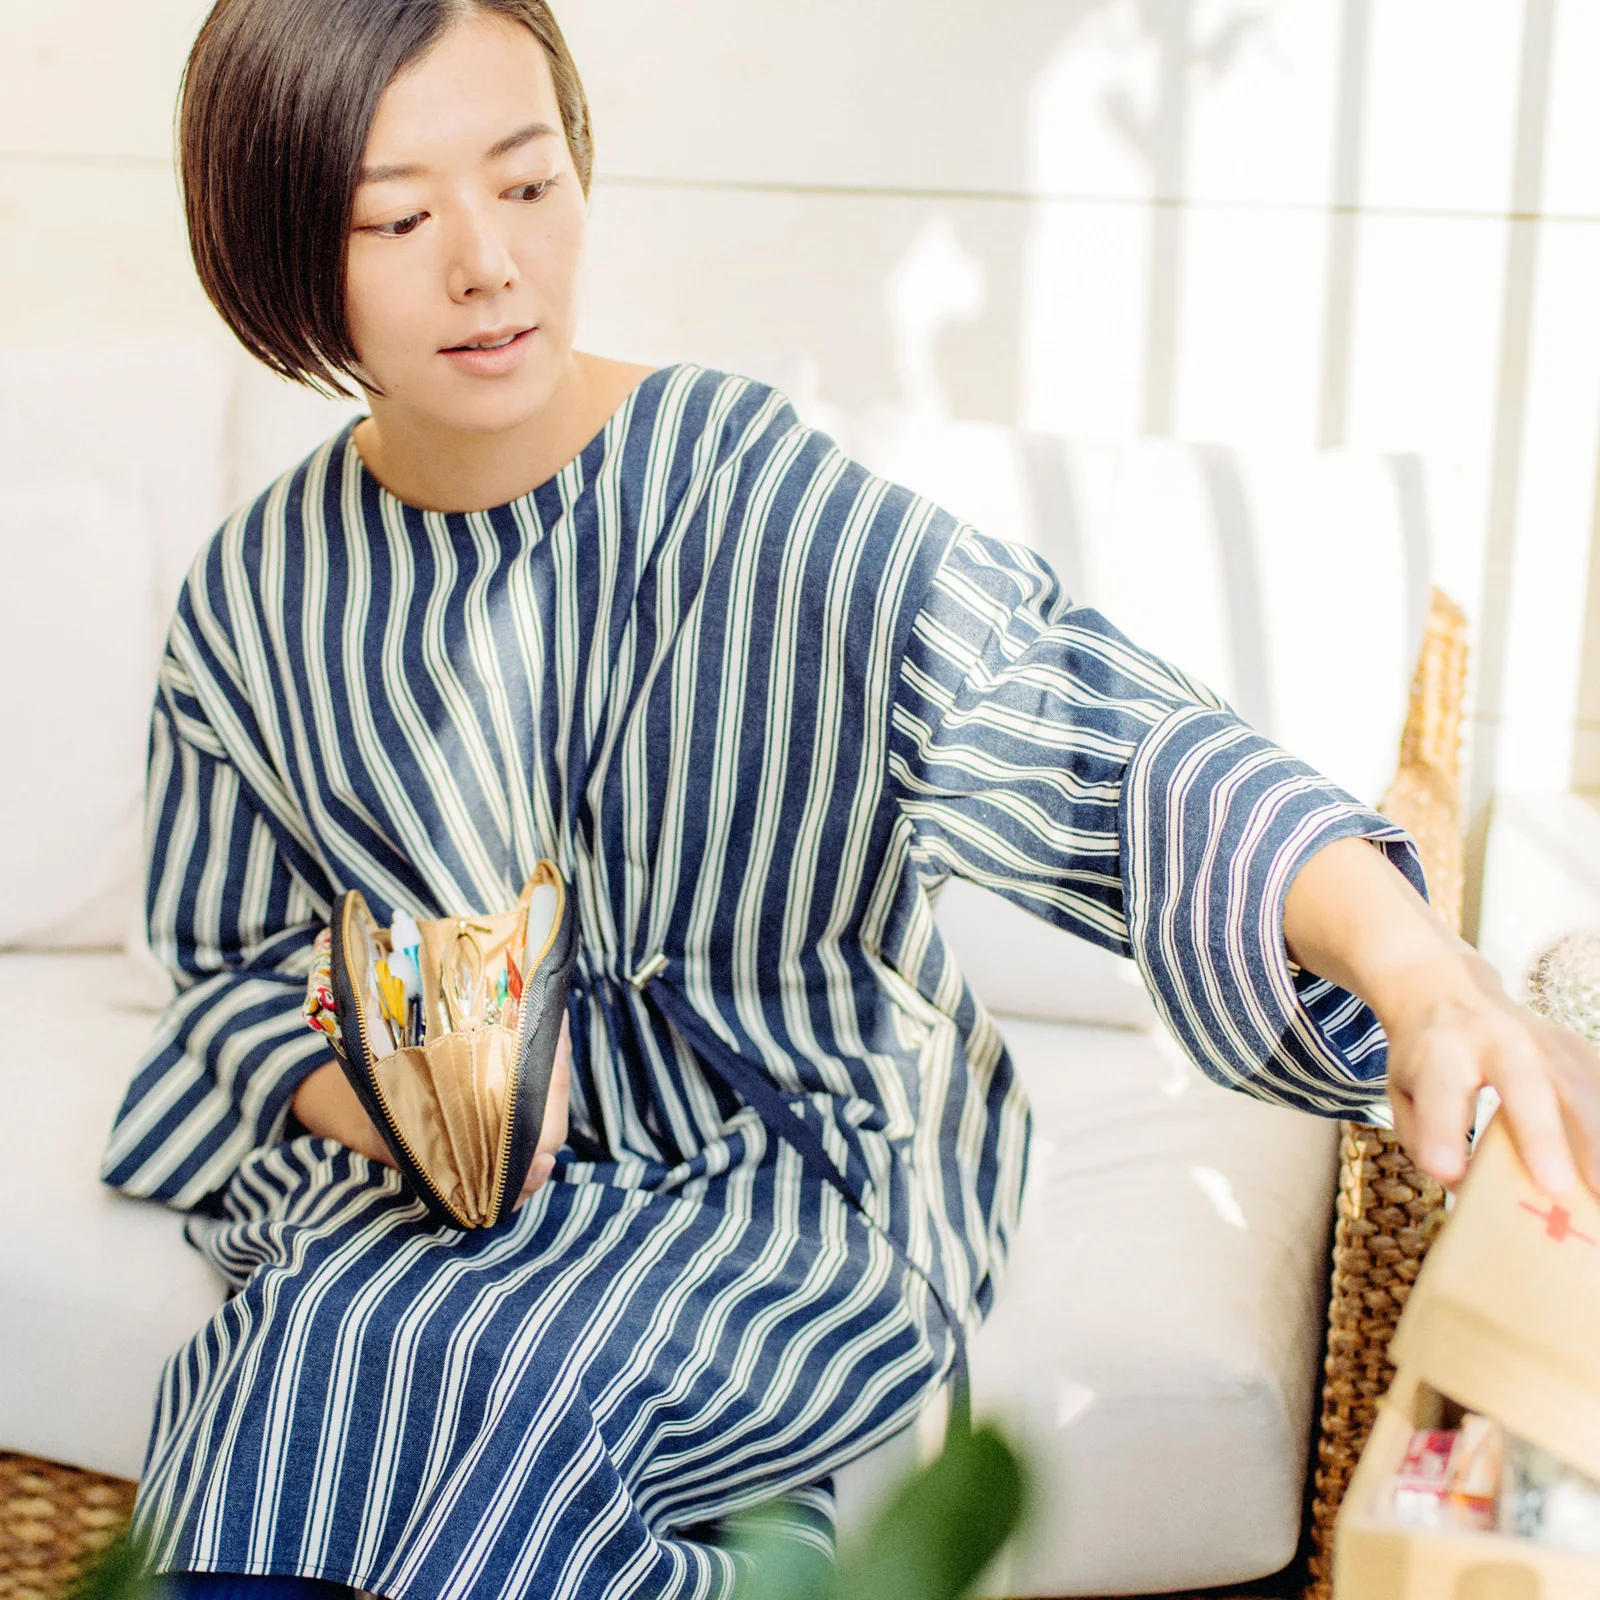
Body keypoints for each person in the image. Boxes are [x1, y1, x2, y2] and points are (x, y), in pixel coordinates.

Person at [100, 1, 1600, 1596]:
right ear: (279, 246)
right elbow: (232, 957)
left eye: (529, 185)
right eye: (397, 219)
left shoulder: (749, 492)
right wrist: (399, 1109)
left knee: (511, 1379)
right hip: (444, 1200)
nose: (488, 263)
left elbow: (1088, 725)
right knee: (307, 1355)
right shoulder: (252, 595)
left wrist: (1419, 969)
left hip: (794, 1162)